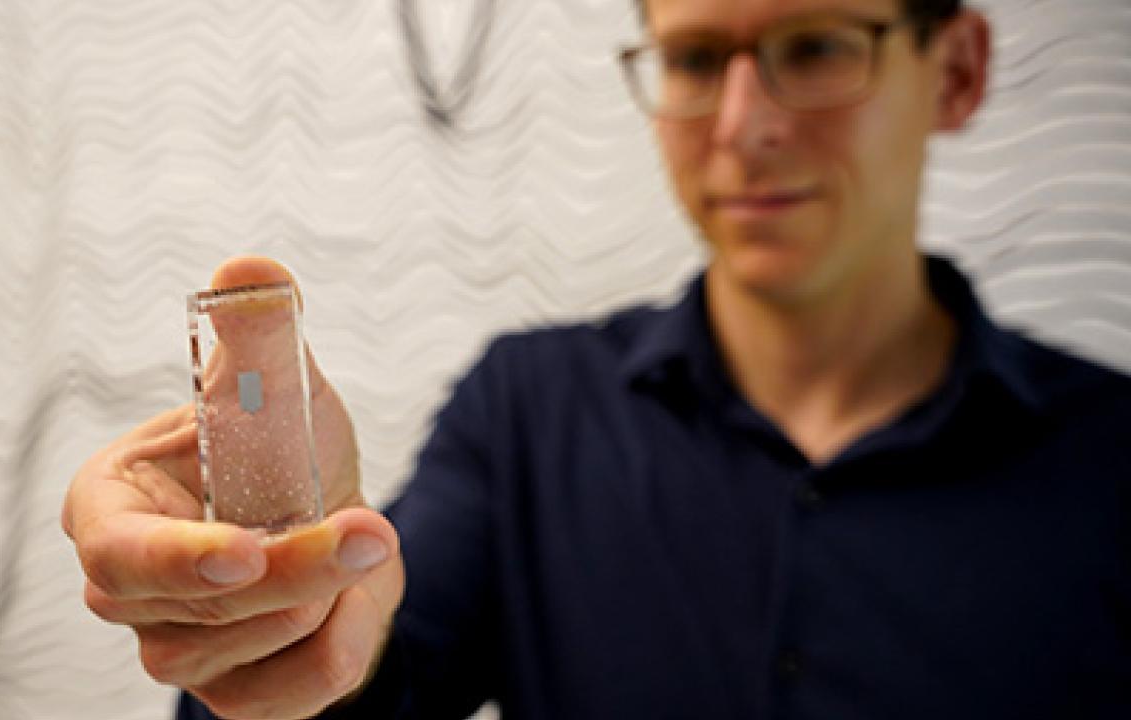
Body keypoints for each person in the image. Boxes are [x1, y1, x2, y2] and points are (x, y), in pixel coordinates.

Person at [61, 0, 1131, 717]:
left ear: (952, 71)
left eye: (812, 47)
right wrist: (304, 606)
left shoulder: (1111, 461)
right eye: (697, 61)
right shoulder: (524, 410)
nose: (744, 124)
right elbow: (374, 677)